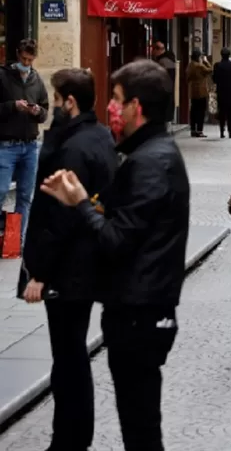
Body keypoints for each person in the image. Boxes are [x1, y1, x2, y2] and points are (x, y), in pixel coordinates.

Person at [39, 59, 190, 450]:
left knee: (140, 432)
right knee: (139, 427)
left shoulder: (151, 162)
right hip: (138, 311)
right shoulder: (146, 155)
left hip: (139, 315)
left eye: (118, 99)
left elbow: (117, 240)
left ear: (136, 108)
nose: (112, 108)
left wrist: (80, 204)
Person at [18, 68, 117, 451]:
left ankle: (70, 440)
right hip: (86, 262)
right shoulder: (99, 137)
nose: (52, 106)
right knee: (71, 354)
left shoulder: (73, 148)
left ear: (70, 102)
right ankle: (73, 437)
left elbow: (58, 217)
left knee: (69, 358)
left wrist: (39, 273)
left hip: (69, 269)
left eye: (56, 100)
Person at [0, 38, 48, 241]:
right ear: (18, 54)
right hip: (6, 146)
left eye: (30, 60)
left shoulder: (36, 79)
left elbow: (45, 111)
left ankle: (14, 241)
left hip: (30, 146)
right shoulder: (3, 76)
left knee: (25, 196)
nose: (27, 64)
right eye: (24, 59)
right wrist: (12, 106)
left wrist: (38, 111)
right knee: (1, 192)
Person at [213, 47, 231, 138]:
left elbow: (214, 79)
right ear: (229, 55)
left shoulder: (217, 65)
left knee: (222, 111)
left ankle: (222, 131)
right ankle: (230, 131)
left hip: (221, 91)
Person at [186, 49, 212, 138]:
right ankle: (200, 130)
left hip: (193, 91)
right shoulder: (199, 66)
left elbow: (187, 78)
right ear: (198, 57)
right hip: (201, 91)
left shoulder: (190, 66)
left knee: (193, 111)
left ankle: (193, 129)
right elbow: (210, 69)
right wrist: (206, 61)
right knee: (201, 111)